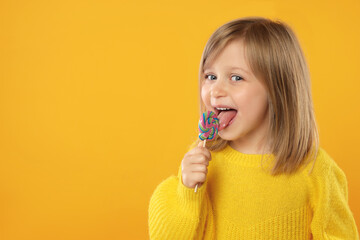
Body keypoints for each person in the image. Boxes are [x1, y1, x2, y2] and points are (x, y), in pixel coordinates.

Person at [148, 16, 359, 239]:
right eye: (211, 76)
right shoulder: (203, 160)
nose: (216, 90)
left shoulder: (316, 171)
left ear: (278, 89)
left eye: (236, 77)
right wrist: (188, 191)